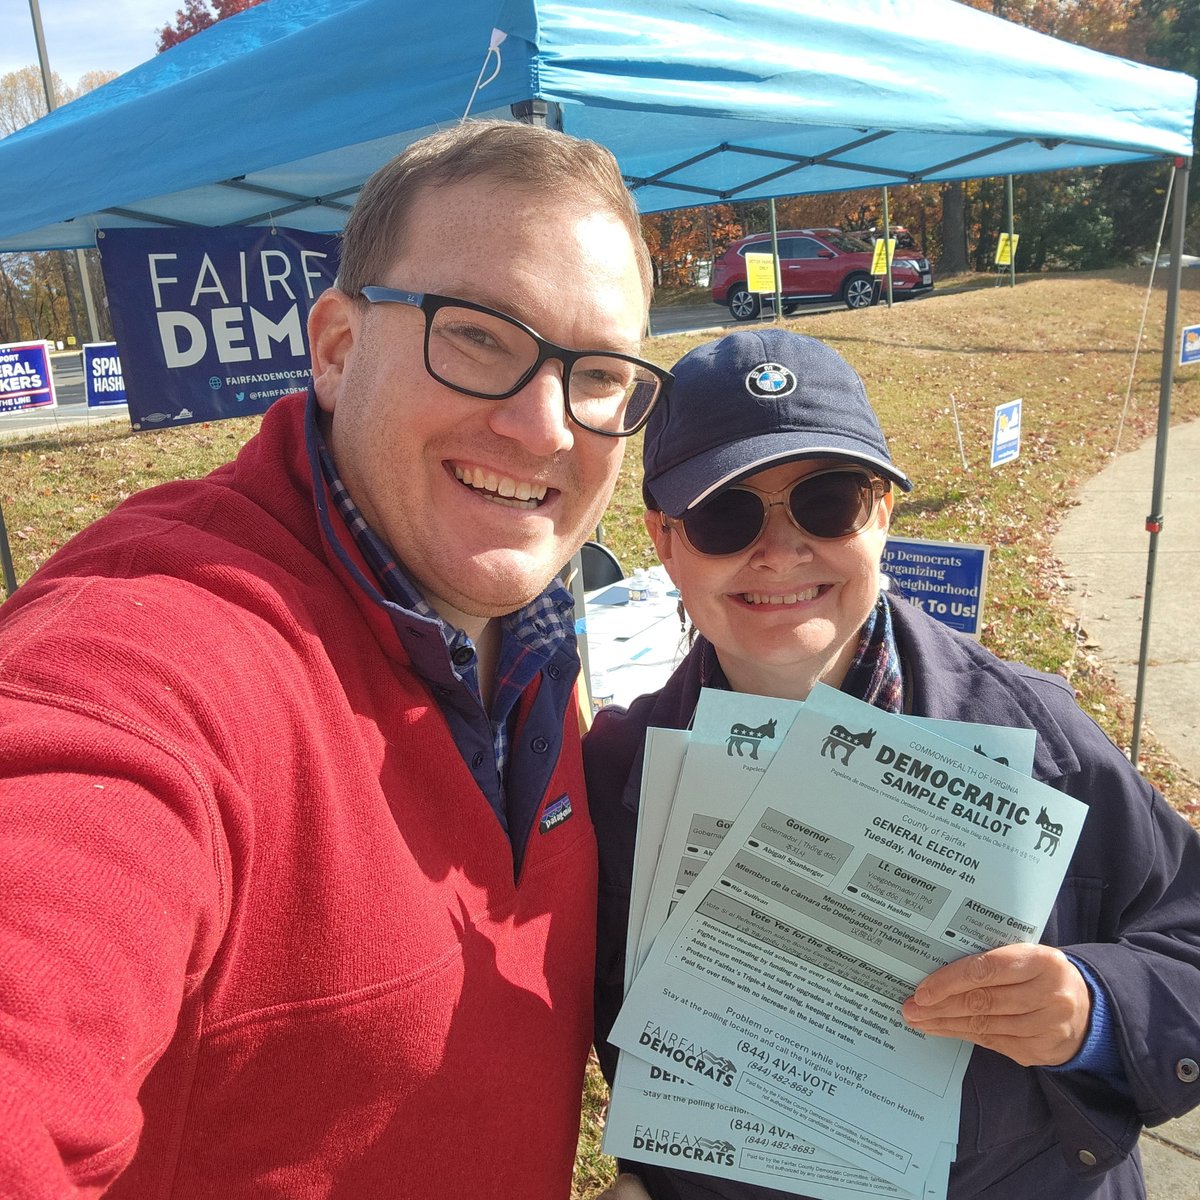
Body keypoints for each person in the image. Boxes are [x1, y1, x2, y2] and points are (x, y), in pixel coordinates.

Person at [0, 119, 673, 1198]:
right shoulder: (150, 655)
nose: (546, 426)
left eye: (596, 374)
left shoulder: (537, 628)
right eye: (480, 335)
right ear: (336, 347)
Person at [587, 329, 1200, 1199]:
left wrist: (1094, 1010)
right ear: (667, 539)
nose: (781, 551)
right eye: (727, 513)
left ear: (881, 514)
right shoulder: (619, 777)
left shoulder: (1039, 741)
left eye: (827, 501)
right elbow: (623, 1031)